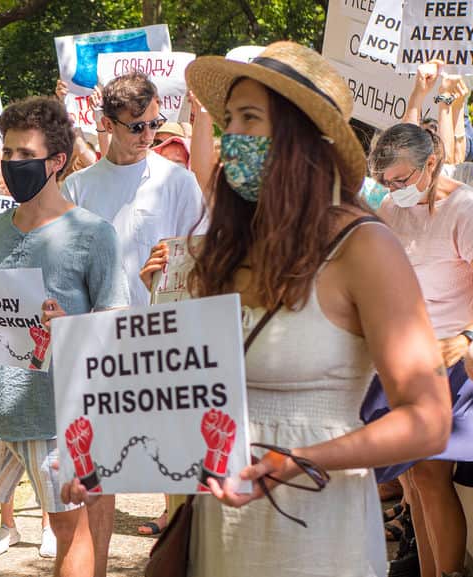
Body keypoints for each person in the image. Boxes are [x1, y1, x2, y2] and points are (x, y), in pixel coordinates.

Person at [65, 41, 452, 577]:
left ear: (303, 137)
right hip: (219, 538)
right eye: (229, 120)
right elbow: (183, 389)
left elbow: (429, 421)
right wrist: (102, 450)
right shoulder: (227, 249)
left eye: (250, 118)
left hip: (317, 537)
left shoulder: (365, 248)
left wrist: (296, 461)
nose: (232, 137)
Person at [0, 96, 129, 577]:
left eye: (24, 154)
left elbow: (116, 322)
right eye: (8, 152)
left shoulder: (92, 233)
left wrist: (69, 329)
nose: (13, 163)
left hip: (54, 413)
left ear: (56, 161)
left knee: (68, 528)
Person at [60, 69, 206, 570]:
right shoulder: (77, 188)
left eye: (154, 125)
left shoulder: (177, 181)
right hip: (97, 347)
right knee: (99, 477)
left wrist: (165, 284)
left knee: (179, 471)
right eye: (136, 127)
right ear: (107, 125)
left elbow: (201, 258)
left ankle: (181, 564)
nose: (148, 136)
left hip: (164, 343)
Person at [364, 122, 473, 577]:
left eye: (400, 179)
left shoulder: (464, 210)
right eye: (385, 181)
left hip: (448, 363)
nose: (392, 189)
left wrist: (467, 339)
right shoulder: (391, 206)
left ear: (431, 163)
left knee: (429, 477)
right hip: (400, 361)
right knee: (413, 482)